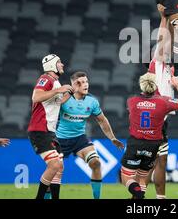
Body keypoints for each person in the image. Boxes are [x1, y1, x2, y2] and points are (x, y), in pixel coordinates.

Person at [120, 72, 178, 199]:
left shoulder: (131, 101)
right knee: (143, 176)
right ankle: (141, 196)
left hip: (135, 142)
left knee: (126, 177)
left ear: (142, 85)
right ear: (155, 86)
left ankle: (139, 195)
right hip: (153, 145)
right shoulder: (164, 101)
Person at [55, 71, 124, 199]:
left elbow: (102, 120)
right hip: (60, 139)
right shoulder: (64, 99)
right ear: (73, 85)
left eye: (86, 81)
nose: (85, 85)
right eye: (80, 83)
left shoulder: (92, 101)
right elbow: (49, 111)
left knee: (96, 163)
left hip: (80, 138)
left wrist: (112, 138)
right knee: (54, 171)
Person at [27, 54, 75, 199]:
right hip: (40, 130)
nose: (62, 65)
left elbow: (57, 103)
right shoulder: (46, 78)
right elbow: (36, 97)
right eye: (59, 62)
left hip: (49, 131)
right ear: (51, 65)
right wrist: (58, 91)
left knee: (59, 167)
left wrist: (71, 92)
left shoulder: (56, 82)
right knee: (54, 165)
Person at [146, 16, 175, 199]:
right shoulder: (156, 64)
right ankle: (158, 198)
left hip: (158, 118)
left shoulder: (164, 68)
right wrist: (166, 18)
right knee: (157, 162)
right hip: (158, 118)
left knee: (155, 162)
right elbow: (162, 38)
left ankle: (143, 197)